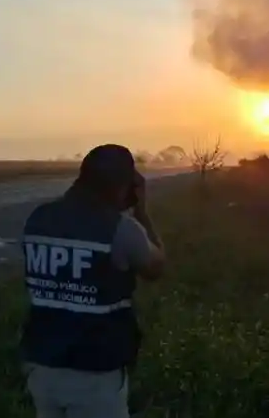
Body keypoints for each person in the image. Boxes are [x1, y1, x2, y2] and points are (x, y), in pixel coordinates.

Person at [19, 144, 167, 418]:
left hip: (41, 367)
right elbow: (156, 267)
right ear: (126, 186)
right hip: (94, 374)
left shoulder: (37, 219)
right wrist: (142, 213)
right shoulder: (121, 229)